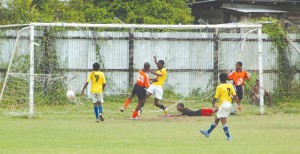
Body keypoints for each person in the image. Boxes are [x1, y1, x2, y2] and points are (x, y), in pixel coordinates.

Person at [200, 73, 241, 141]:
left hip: (224, 104)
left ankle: (229, 137)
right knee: (217, 119)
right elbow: (235, 96)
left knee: (223, 121)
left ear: (220, 79)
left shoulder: (219, 87)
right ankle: (208, 132)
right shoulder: (230, 85)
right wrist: (238, 104)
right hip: (228, 104)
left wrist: (213, 103)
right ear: (226, 79)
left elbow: (216, 97)